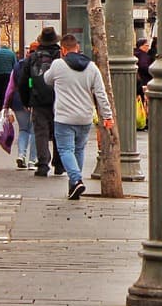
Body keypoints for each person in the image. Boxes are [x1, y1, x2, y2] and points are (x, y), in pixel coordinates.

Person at [42, 34, 113, 200]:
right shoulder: (92, 67)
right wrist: (107, 116)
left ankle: (76, 180)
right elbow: (101, 94)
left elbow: (46, 79)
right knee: (79, 150)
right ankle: (73, 187)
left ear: (63, 50)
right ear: (78, 48)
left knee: (66, 150)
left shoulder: (58, 64)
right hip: (85, 117)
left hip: (64, 117)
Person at [20, 27, 65, 177]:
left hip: (38, 99)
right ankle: (59, 165)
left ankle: (43, 164)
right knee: (59, 131)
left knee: (41, 132)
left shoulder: (32, 58)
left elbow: (25, 80)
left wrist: (26, 100)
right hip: (59, 99)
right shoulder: (61, 56)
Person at [3, 43, 37, 169]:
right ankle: (32, 161)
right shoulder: (41, 64)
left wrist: (6, 105)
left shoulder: (19, 65)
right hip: (35, 100)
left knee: (23, 129)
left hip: (18, 100)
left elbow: (11, 86)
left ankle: (21, 155)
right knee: (34, 131)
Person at [0, 42, 17, 110]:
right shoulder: (11, 53)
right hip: (8, 74)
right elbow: (15, 64)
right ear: (8, 46)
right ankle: (6, 105)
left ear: (1, 46)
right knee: (6, 90)